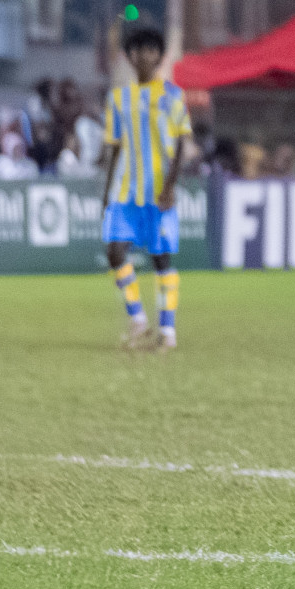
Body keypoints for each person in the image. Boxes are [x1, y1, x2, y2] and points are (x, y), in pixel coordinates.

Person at [99, 27, 192, 350]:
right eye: (137, 50)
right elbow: (114, 148)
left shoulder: (171, 95)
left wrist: (170, 186)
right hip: (125, 192)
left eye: (151, 50)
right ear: (129, 57)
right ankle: (138, 319)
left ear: (159, 56)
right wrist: (106, 191)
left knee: (160, 259)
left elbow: (181, 144)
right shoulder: (118, 98)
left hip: (157, 191)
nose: (144, 56)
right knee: (115, 253)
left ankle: (167, 331)